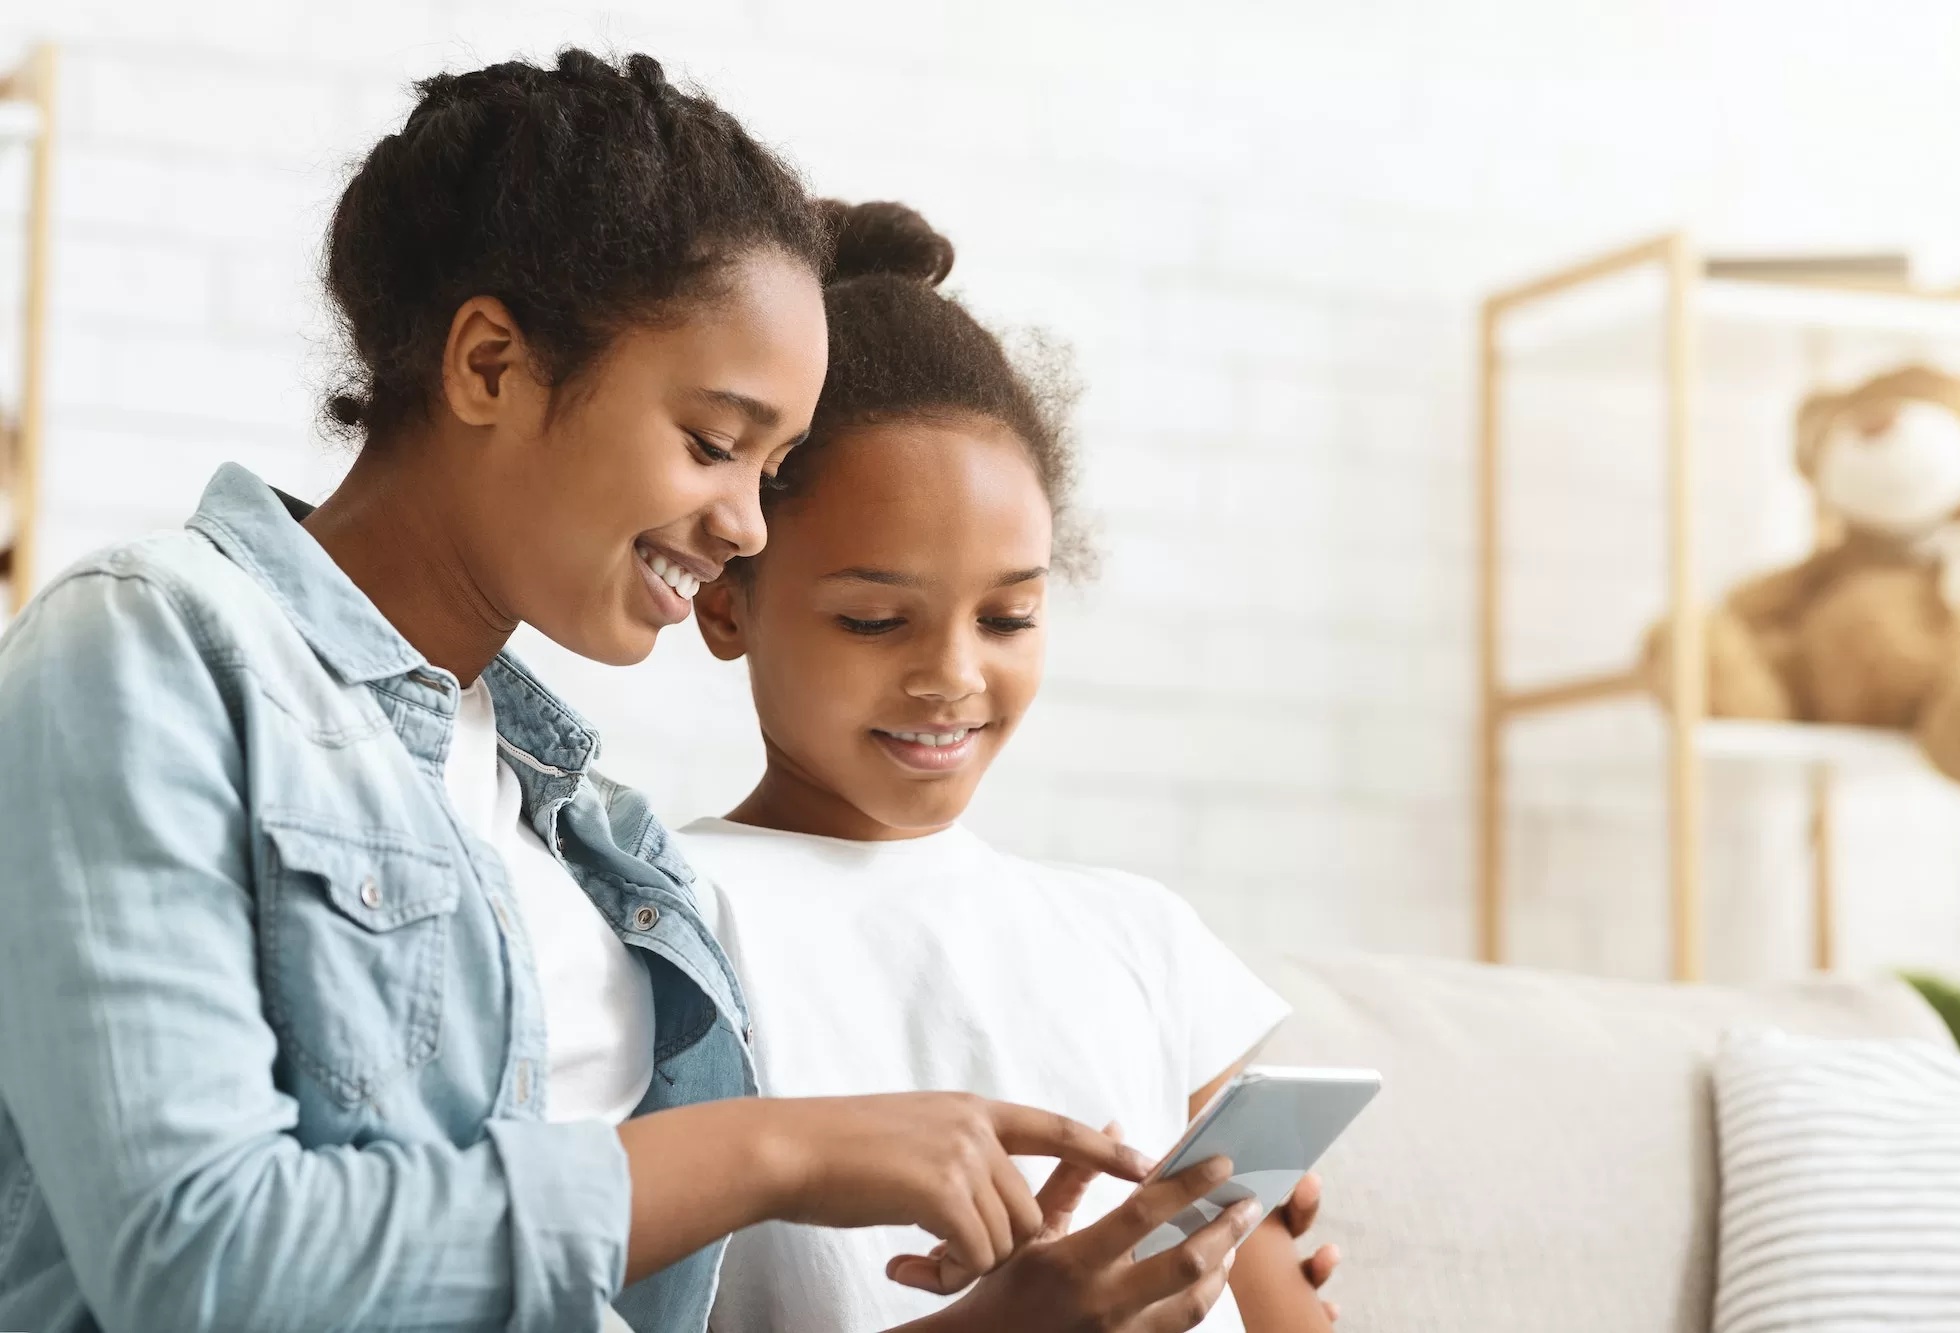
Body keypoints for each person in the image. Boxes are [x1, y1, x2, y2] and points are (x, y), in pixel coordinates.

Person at [0, 53, 1262, 1333]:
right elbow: (198, 1258)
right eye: (714, 444)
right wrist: (772, 1150)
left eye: (769, 469)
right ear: (490, 365)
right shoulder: (153, 645)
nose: (746, 526)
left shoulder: (590, 836)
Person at [680, 199, 1344, 1332]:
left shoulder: (1140, 938)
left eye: (1008, 617)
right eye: (874, 620)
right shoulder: (669, 916)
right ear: (723, 600)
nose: (952, 676)